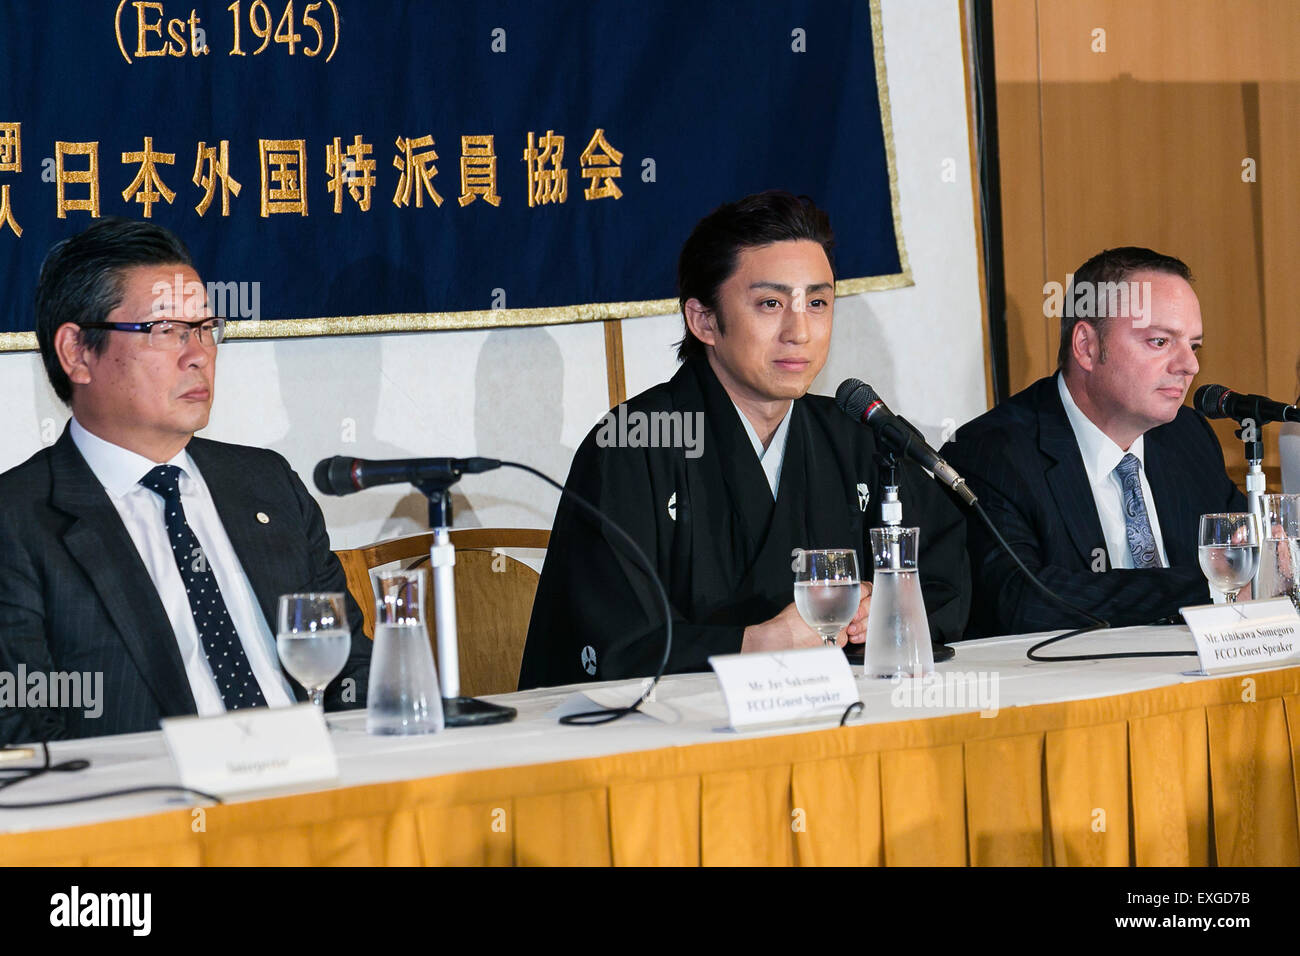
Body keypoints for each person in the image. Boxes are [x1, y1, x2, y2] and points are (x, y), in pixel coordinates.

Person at [519, 192, 970, 688]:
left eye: (817, 303)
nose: (799, 331)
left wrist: (880, 609)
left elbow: (946, 581)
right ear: (704, 320)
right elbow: (614, 641)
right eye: (770, 304)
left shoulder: (857, 437)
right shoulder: (632, 444)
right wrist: (755, 644)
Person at [0, 218, 370, 745]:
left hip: (318, 796)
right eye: (166, 330)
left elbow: (350, 670)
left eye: (203, 328)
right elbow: (25, 737)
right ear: (78, 353)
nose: (197, 354)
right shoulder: (18, 522)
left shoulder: (267, 484)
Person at [941, 247, 1246, 637]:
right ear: (1086, 346)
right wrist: (1210, 589)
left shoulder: (1188, 436)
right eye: (1159, 342)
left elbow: (1242, 547)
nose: (1189, 365)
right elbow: (1022, 600)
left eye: (1194, 345)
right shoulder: (989, 454)